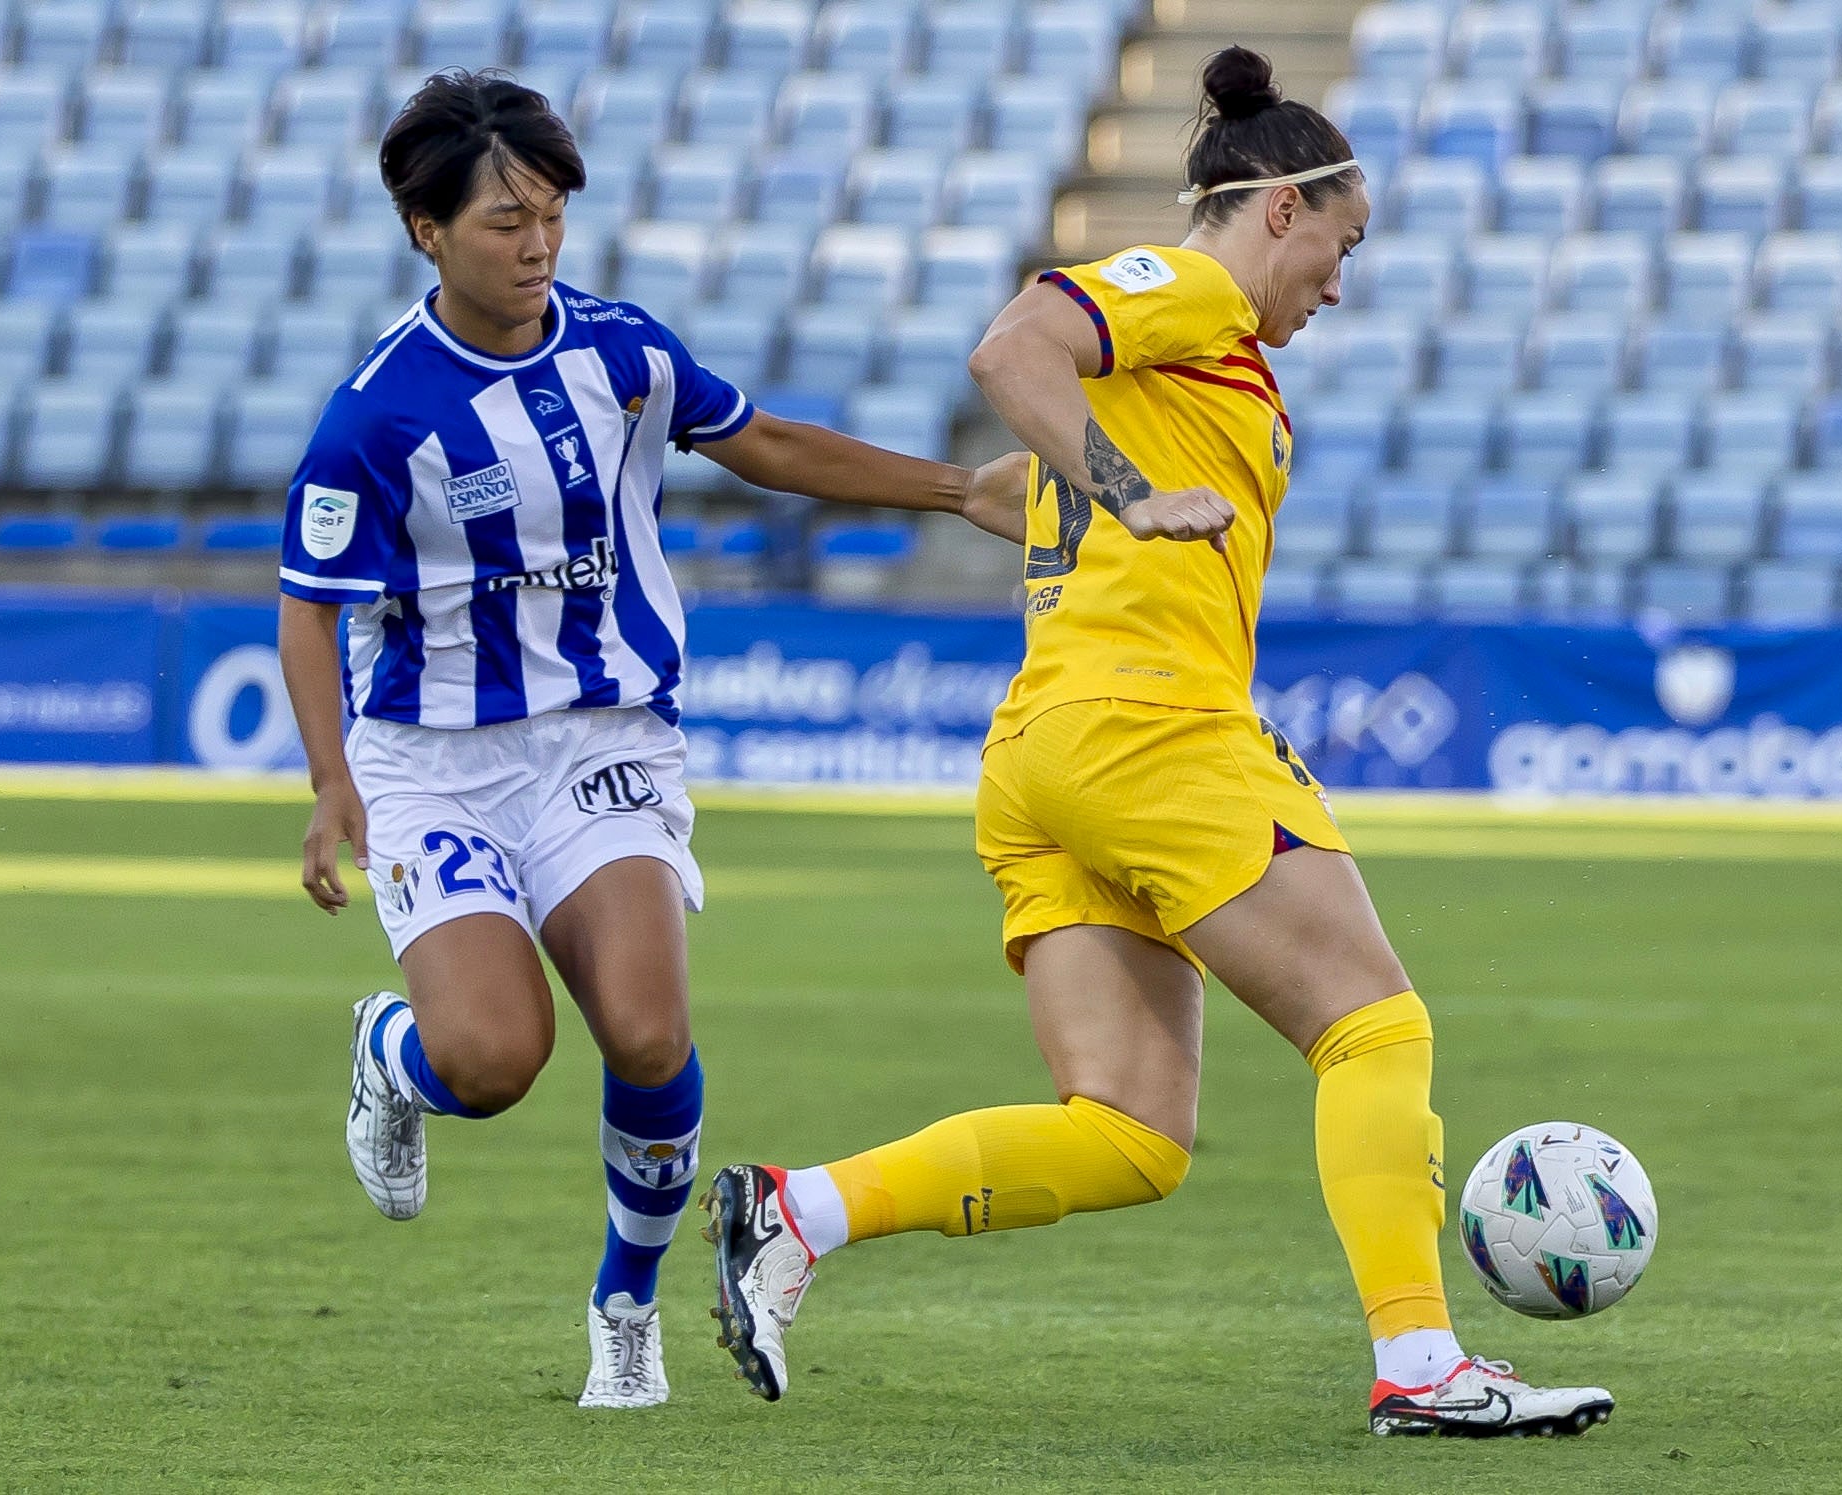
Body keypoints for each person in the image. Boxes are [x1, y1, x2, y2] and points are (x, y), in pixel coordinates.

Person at [702, 48, 1613, 1439]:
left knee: (1127, 1130)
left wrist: (1032, 489)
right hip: (1149, 730)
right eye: (1338, 246)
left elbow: (1031, 454)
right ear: (1277, 208)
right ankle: (1421, 1360)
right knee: (1373, 1025)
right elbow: (1010, 346)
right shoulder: (1187, 286)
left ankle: (797, 1210)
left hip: (1045, 752)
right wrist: (1123, 491)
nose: (1335, 284)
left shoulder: (1192, 361)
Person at [276, 70, 1025, 1410]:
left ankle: (625, 1307)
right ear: (426, 231)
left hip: (603, 736)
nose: (536, 242)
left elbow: (768, 442)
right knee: (494, 1061)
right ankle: (394, 1056)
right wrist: (331, 779)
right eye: (504, 219)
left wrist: (958, 486)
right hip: (434, 761)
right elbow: (306, 607)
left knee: (645, 1027)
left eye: (551, 212)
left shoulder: (621, 352)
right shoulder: (376, 417)